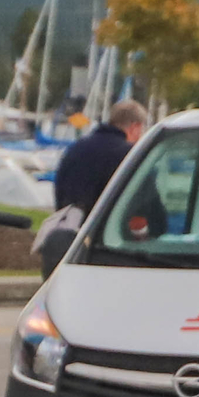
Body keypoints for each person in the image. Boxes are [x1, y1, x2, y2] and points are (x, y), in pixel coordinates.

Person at [37, 99, 148, 273]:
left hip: (69, 242)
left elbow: (60, 192)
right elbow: (143, 203)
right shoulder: (129, 155)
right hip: (110, 249)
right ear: (135, 127)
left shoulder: (75, 149)